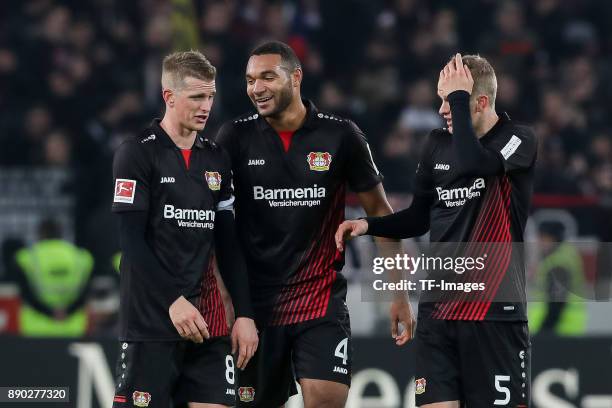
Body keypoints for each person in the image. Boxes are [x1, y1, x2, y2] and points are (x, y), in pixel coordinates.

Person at [215, 41, 415, 408]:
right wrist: (225, 298)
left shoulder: (341, 136)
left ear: (296, 77)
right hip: (256, 305)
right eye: (249, 80)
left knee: (325, 398)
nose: (256, 88)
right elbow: (214, 221)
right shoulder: (234, 137)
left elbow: (381, 213)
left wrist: (398, 292)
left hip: (320, 300)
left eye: (267, 77)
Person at [336, 53, 537, 408]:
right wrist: (369, 224)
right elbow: (419, 218)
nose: (443, 109)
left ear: (482, 101)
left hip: (493, 314)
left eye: (451, 99)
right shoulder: (435, 144)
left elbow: (474, 164)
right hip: (439, 311)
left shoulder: (518, 139)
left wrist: (459, 99)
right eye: (442, 99)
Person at [111, 50, 258, 408]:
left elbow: (228, 244)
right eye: (196, 97)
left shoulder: (216, 159)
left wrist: (245, 313)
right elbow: (131, 241)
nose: (206, 105)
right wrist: (172, 302)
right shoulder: (137, 153)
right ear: (169, 97)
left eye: (210, 96)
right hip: (151, 322)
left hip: (207, 322)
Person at [14, 218, 92, 337]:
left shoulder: (27, 257)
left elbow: (25, 294)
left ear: (40, 234)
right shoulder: (81, 257)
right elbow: (86, 292)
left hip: (36, 328)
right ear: (61, 233)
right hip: (72, 327)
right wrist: (67, 312)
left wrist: (50, 313)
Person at [528, 222, 587, 335]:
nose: (539, 242)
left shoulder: (558, 263)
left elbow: (557, 303)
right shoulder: (562, 256)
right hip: (565, 328)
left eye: (543, 238)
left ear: (553, 239)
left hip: (559, 330)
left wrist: (544, 332)